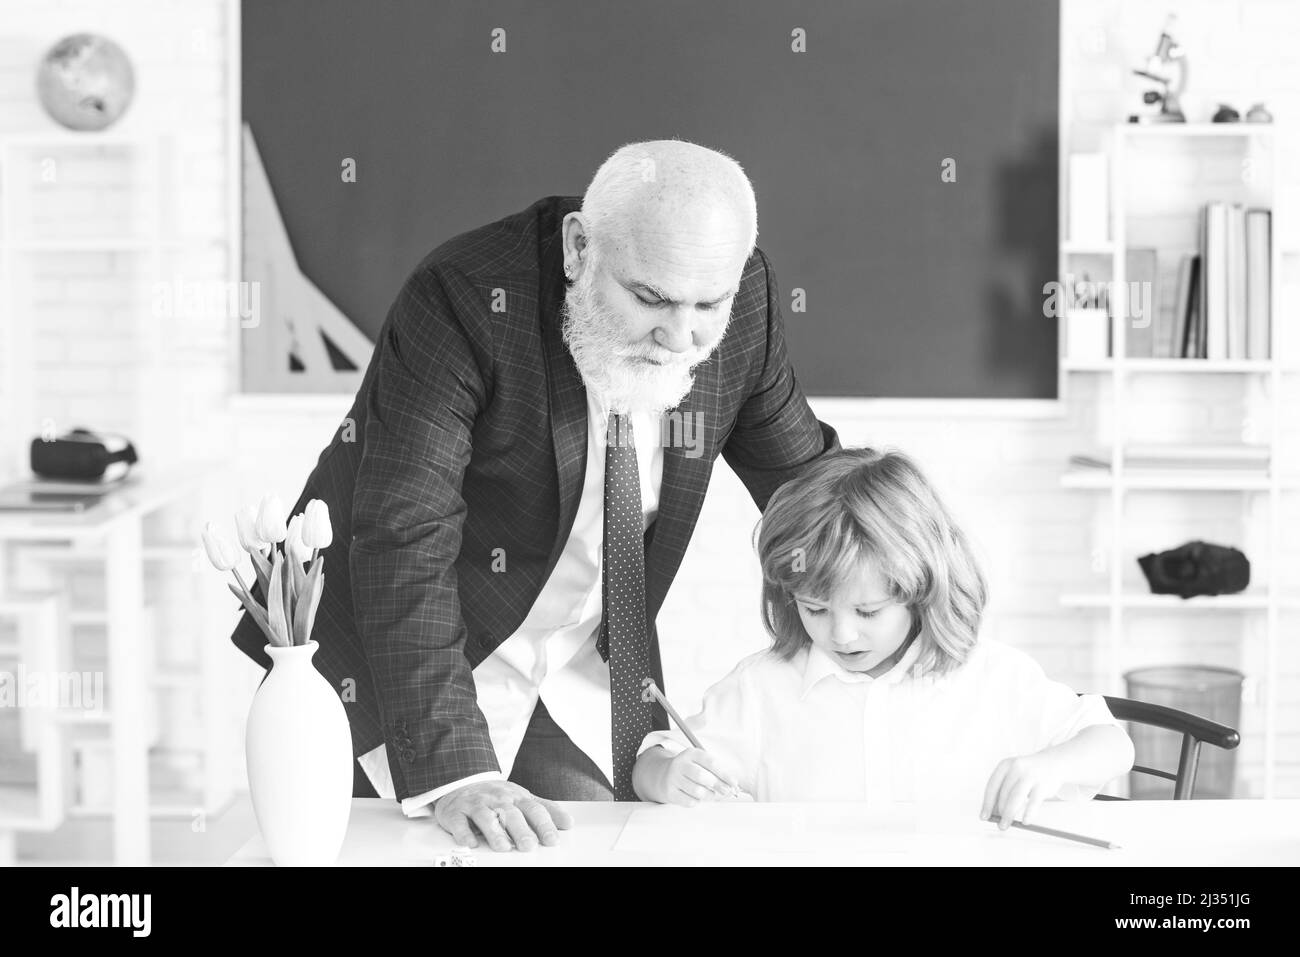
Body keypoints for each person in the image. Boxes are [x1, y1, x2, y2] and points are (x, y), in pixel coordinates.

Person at [229, 139, 839, 851]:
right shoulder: (463, 296)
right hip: (404, 655)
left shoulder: (742, 304)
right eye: (650, 299)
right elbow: (405, 530)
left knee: (596, 845)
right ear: (581, 248)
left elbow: (813, 490)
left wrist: (914, 590)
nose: (682, 336)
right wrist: (455, 775)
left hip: (577, 663)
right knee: (400, 850)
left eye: (710, 302)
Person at [633, 448, 1135, 827]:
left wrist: (1049, 766)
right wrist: (664, 776)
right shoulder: (763, 687)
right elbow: (654, 761)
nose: (842, 633)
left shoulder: (989, 676)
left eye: (868, 611)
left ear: (922, 587)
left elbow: (1112, 744)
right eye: (815, 608)